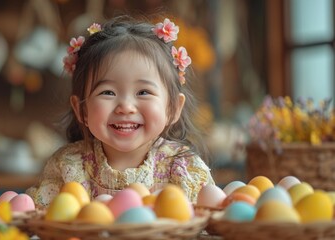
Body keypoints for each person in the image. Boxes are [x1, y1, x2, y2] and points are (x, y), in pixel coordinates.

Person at [26, 15, 215, 209]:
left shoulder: (184, 169)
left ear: (173, 108)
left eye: (143, 92)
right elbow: (41, 221)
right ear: (81, 109)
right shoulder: (67, 166)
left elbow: (206, 226)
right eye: (108, 92)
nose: (126, 107)